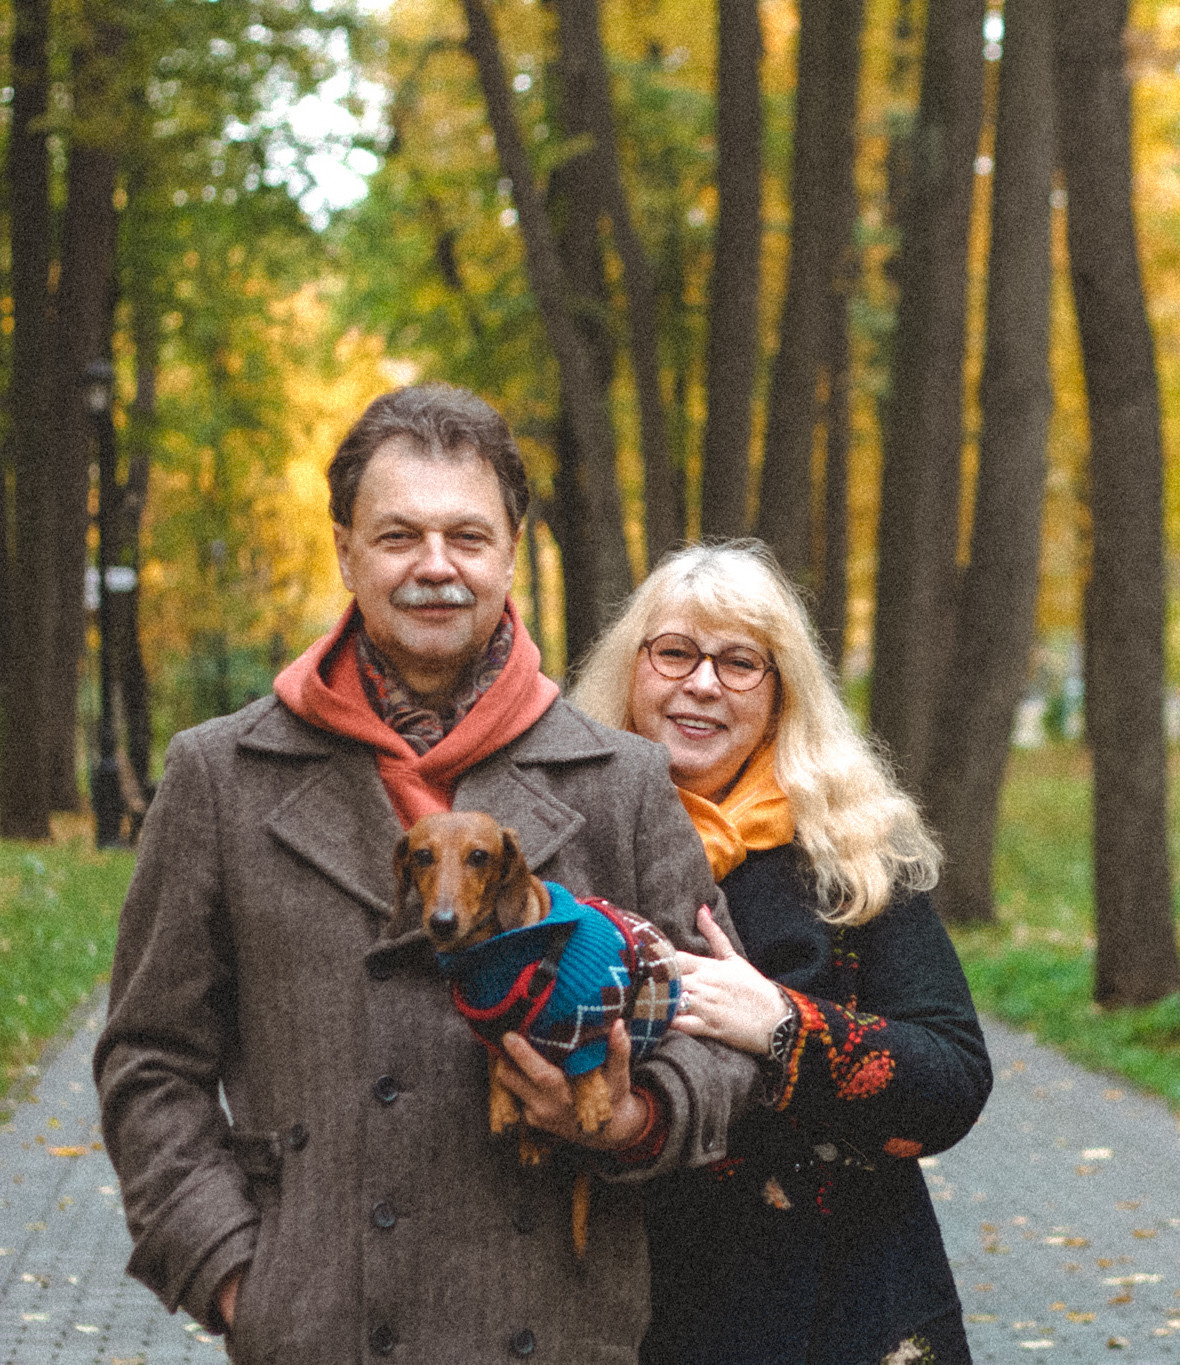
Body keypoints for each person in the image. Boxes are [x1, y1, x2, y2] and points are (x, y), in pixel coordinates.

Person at [93, 385, 760, 1364]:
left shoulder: (620, 779)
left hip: (558, 1324)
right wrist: (236, 1278)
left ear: (510, 551)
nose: (436, 567)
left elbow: (721, 1025)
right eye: (399, 535)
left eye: (467, 536)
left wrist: (635, 1117)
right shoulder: (219, 775)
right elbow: (150, 1060)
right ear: (345, 551)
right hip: (314, 1327)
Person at [569, 542, 993, 1365]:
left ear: (780, 693)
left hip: (837, 1305)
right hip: (624, 1311)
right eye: (676, 653)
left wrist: (781, 1025)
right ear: (632, 668)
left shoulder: (854, 849)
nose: (702, 683)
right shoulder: (566, 838)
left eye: (740, 663)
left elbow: (954, 1079)